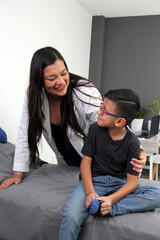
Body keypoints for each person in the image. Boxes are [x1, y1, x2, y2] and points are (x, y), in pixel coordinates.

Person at [0, 47, 145, 190]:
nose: (61, 81)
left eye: (64, 73)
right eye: (51, 78)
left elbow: (113, 122)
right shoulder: (35, 96)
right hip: (66, 165)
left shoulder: (84, 92)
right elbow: (25, 131)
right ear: (39, 81)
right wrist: (17, 174)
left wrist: (138, 149)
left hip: (96, 164)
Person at [59, 89, 160, 240]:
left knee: (158, 194)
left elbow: (132, 183)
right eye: (101, 106)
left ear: (120, 121)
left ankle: (109, 207)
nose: (99, 112)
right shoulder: (94, 130)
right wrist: (90, 192)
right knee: (71, 216)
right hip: (95, 181)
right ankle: (103, 203)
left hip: (119, 184)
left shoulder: (133, 143)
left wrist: (111, 200)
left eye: (103, 110)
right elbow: (85, 163)